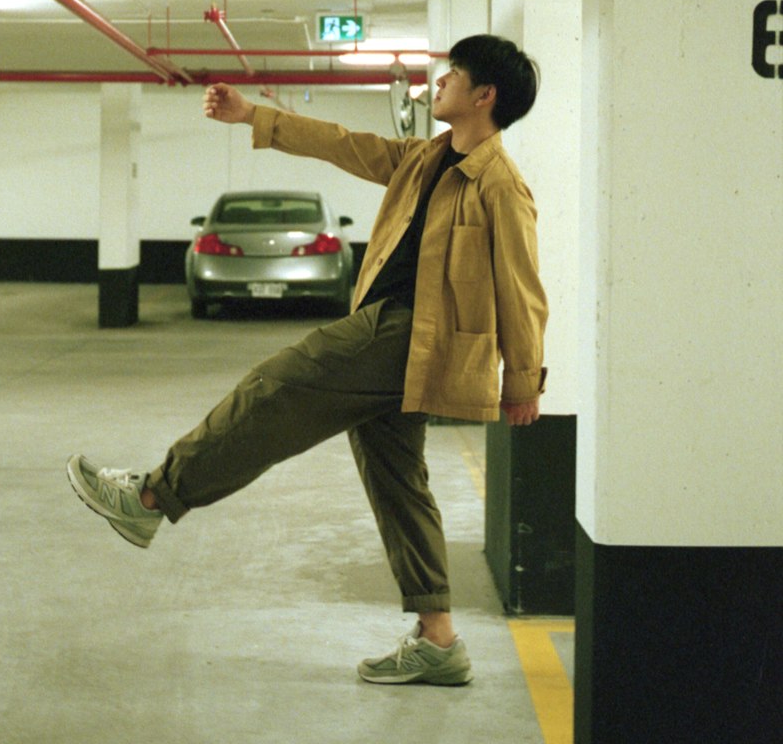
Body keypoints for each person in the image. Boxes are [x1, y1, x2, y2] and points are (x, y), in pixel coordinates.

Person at [67, 34, 547, 687]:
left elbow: (522, 289)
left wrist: (523, 383)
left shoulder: (500, 184)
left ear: (484, 95)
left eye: (453, 75)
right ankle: (439, 640)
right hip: (393, 335)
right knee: (398, 481)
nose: (439, 83)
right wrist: (252, 117)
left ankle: (152, 497)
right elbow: (341, 142)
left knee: (278, 384)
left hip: (412, 335)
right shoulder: (423, 158)